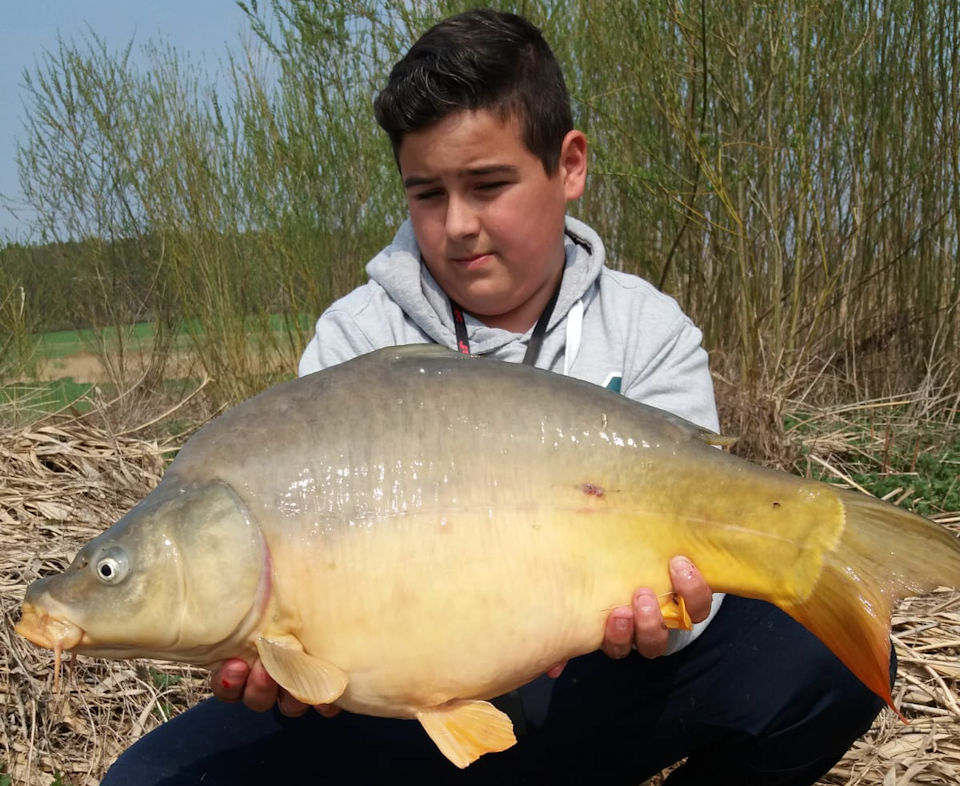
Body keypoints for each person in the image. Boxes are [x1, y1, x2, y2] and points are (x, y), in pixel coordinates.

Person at [102, 9, 887, 785]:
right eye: (427, 194)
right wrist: (287, 667)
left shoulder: (647, 329)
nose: (457, 225)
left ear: (569, 166)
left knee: (822, 659)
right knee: (150, 781)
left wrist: (672, 621)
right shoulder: (355, 338)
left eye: (487, 185)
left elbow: (693, 589)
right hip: (398, 706)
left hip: (598, 683)